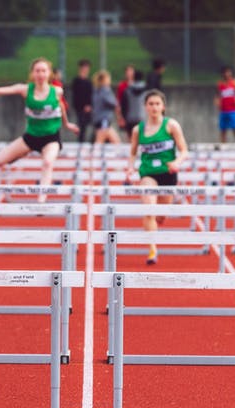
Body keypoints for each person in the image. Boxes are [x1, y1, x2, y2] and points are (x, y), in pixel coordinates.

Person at [0, 57, 80, 201]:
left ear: (49, 74)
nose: (41, 74)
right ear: (32, 74)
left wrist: (67, 124)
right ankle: (23, 152)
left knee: (47, 162)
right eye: (37, 71)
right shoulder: (25, 90)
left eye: (44, 71)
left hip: (51, 138)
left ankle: (41, 201)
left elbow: (60, 107)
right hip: (30, 137)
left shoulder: (56, 91)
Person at [125, 89, 188, 265]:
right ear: (145, 107)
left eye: (157, 104)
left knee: (160, 216)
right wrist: (130, 169)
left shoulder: (171, 125)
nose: (154, 107)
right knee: (148, 208)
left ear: (163, 107)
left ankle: (157, 222)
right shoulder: (138, 129)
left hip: (168, 174)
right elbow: (132, 153)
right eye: (150, 104)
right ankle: (152, 248)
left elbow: (184, 150)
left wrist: (177, 162)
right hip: (147, 174)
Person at [215, 66, 235, 143]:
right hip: (223, 110)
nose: (227, 74)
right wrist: (217, 102)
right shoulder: (220, 84)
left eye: (228, 72)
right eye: (225, 72)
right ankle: (223, 145)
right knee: (223, 129)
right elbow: (218, 96)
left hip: (233, 110)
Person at [91, 69, 120, 145]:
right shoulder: (105, 90)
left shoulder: (96, 90)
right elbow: (113, 103)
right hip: (104, 119)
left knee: (115, 141)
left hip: (98, 118)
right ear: (104, 80)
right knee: (100, 142)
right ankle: (94, 156)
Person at [71, 59, 93, 143]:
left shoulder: (89, 81)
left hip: (89, 108)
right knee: (81, 126)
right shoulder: (77, 81)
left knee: (91, 125)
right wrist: (82, 106)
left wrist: (89, 105)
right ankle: (80, 142)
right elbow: (76, 95)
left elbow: (90, 95)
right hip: (80, 108)